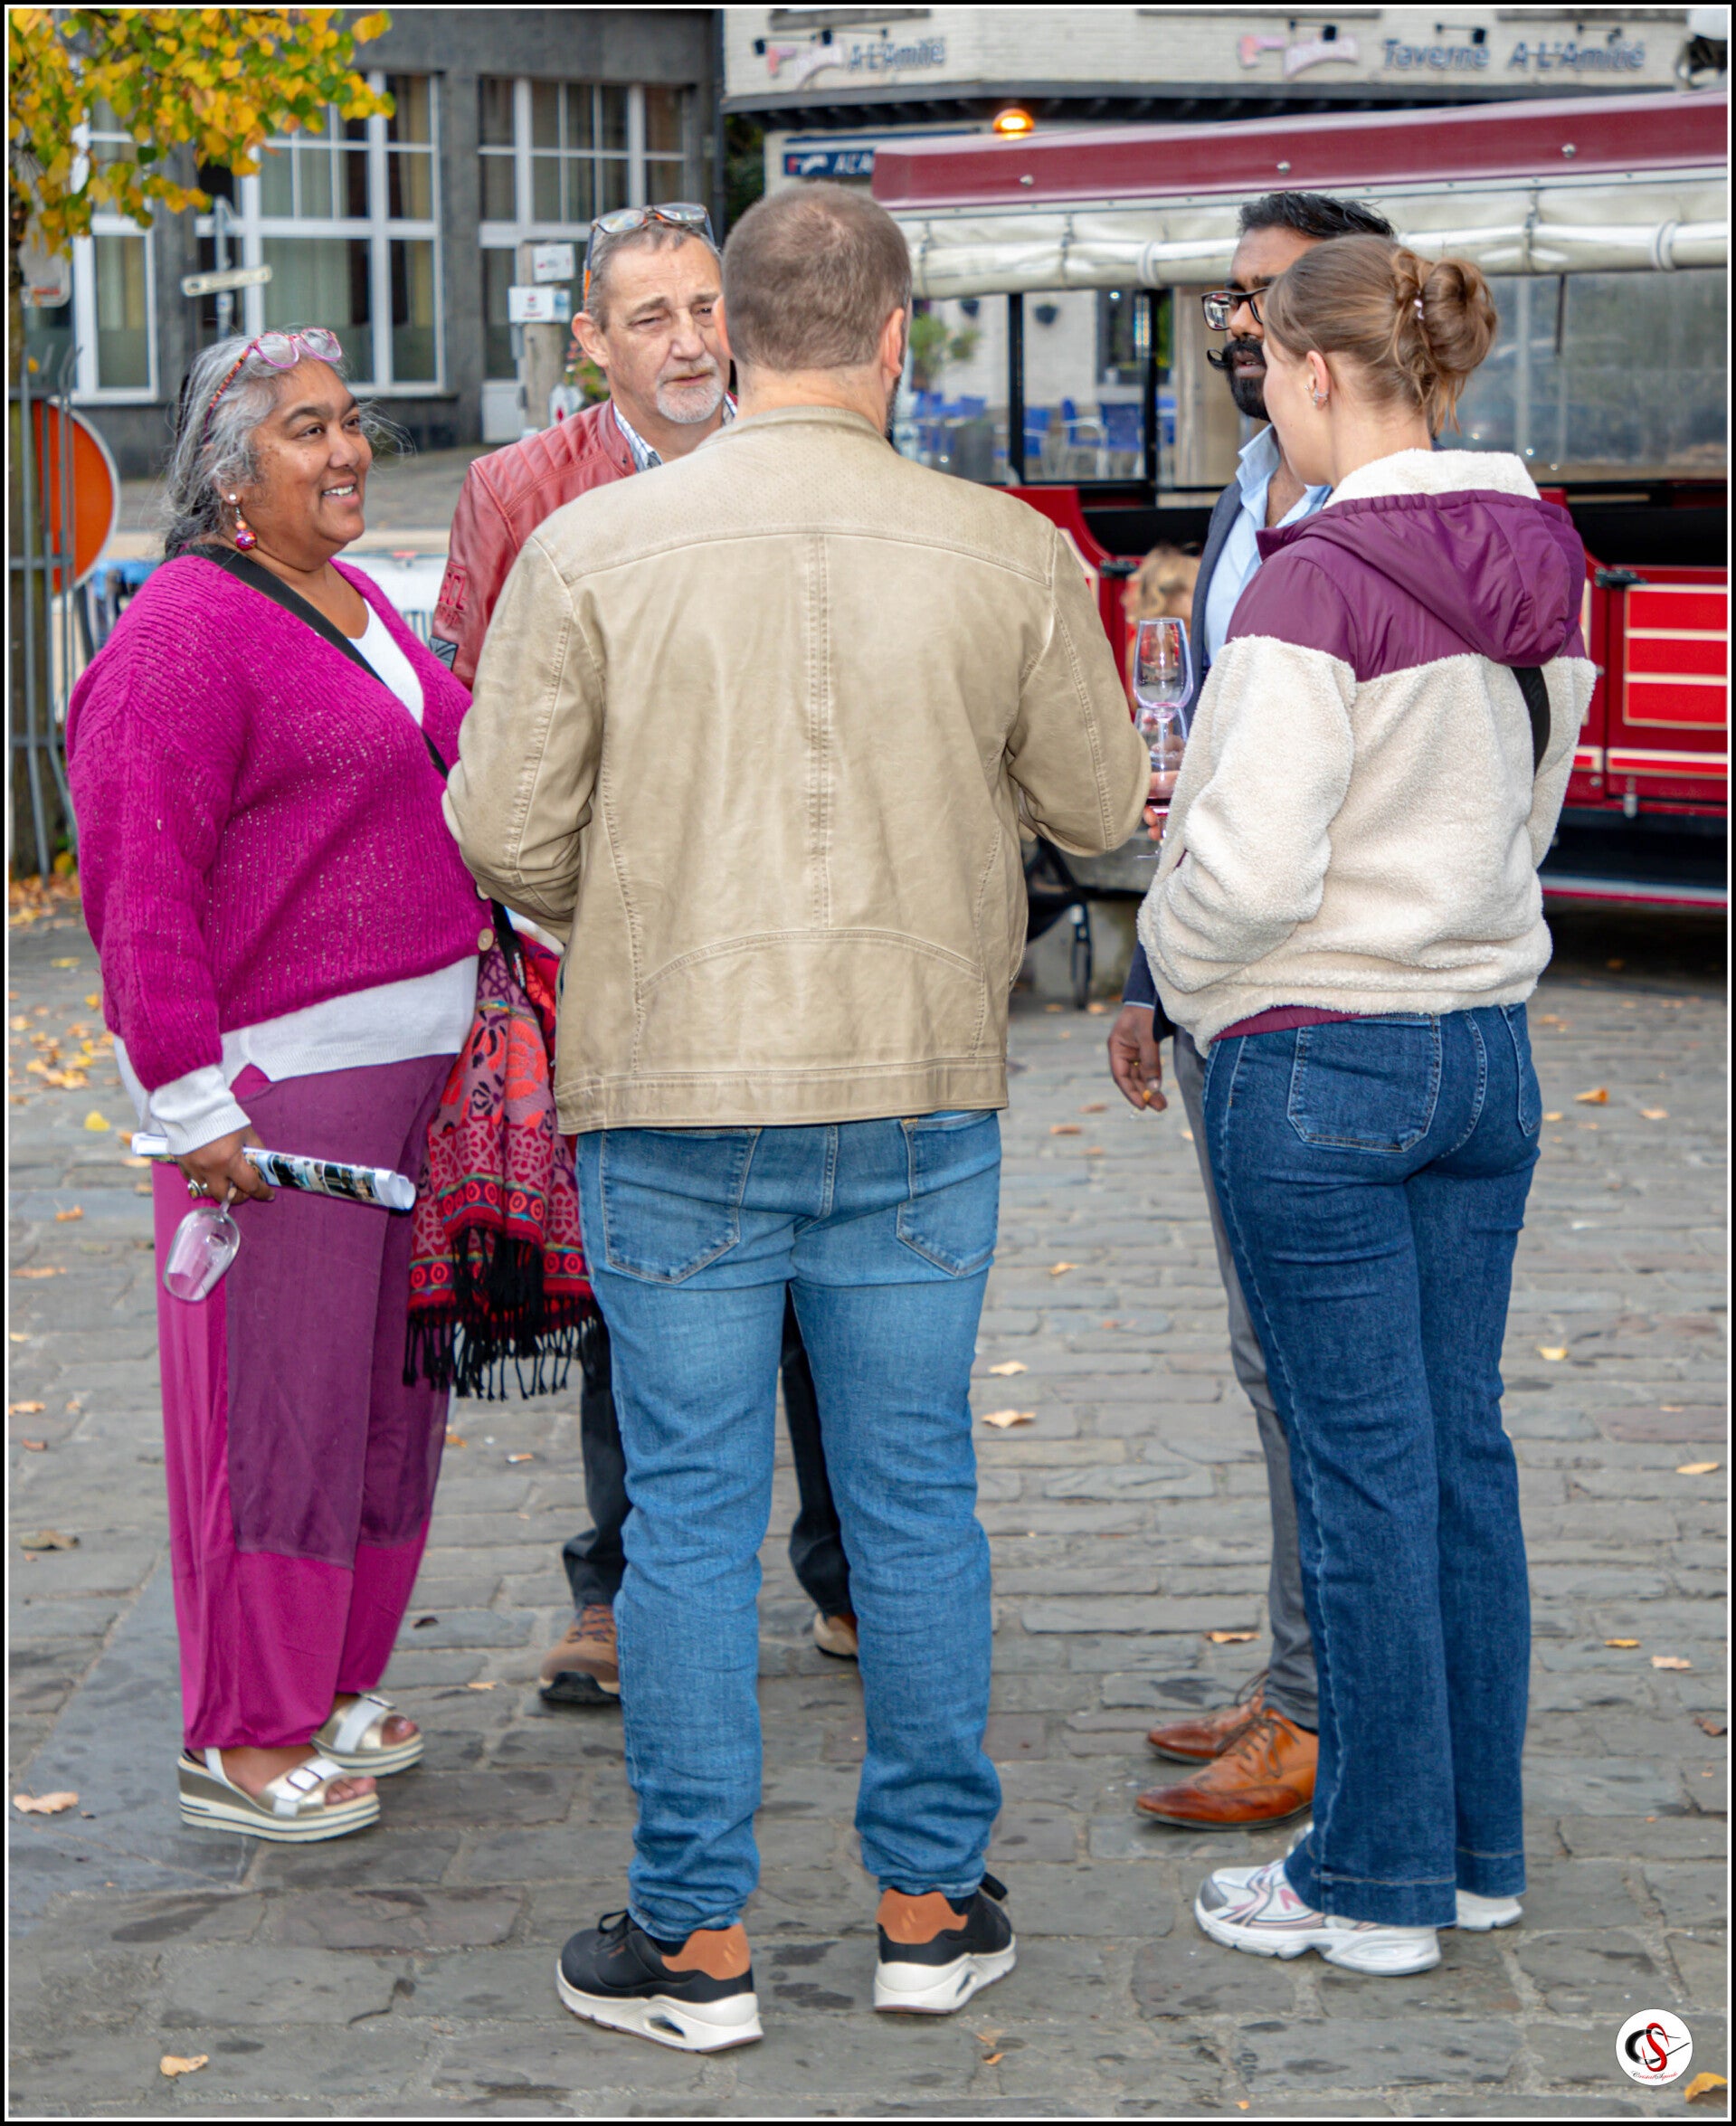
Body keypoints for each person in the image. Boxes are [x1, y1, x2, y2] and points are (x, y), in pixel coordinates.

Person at [446, 181, 1149, 2051]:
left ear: (734, 336)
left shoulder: (591, 551)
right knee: (914, 1497)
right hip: (914, 1081)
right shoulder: (1006, 553)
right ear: (899, 337)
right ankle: (927, 1904)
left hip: (670, 1082)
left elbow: (500, 829)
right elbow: (1104, 807)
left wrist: (639, 912)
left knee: (685, 1514)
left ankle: (696, 1939)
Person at [1140, 234, 1592, 1973]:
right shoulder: (1541, 551)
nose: (1256, 389)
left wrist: (1174, 962)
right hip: (1484, 1044)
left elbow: (1249, 868)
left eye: (1260, 359)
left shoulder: (1312, 583)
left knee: (1361, 1479)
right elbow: (1532, 801)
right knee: (1460, 1457)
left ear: (1319, 372)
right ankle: (1472, 1853)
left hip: (1322, 1052)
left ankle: (1372, 1878)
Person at [66, 329, 489, 1841]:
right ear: (229, 473)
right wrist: (190, 1102)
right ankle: (243, 1730)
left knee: (385, 1407)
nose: (349, 449)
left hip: (411, 1086)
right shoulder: (182, 629)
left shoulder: (359, 604)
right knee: (278, 1416)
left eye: (352, 421)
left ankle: (333, 1679)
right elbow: (138, 881)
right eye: (308, 429)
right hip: (280, 1098)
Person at [433, 206, 857, 1708]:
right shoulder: (518, 490)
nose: (689, 342)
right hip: (608, 950)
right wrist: (565, 916)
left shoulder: (815, 457)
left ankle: (851, 1574)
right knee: (638, 1276)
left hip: (805, 928)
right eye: (653, 317)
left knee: (826, 1269)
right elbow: (472, 718)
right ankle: (614, 1586)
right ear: (591, 342)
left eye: (706, 308)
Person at [1106, 192, 1395, 1832]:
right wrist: (1154, 974)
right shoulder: (1247, 488)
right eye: (1229, 297)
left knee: (1325, 1373)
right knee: (1267, 1360)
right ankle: (1299, 1676)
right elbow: (1213, 742)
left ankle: (1327, 1709)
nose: (1237, 326)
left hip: (1326, 997)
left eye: (1269, 299)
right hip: (1226, 984)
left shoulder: (1383, 502)